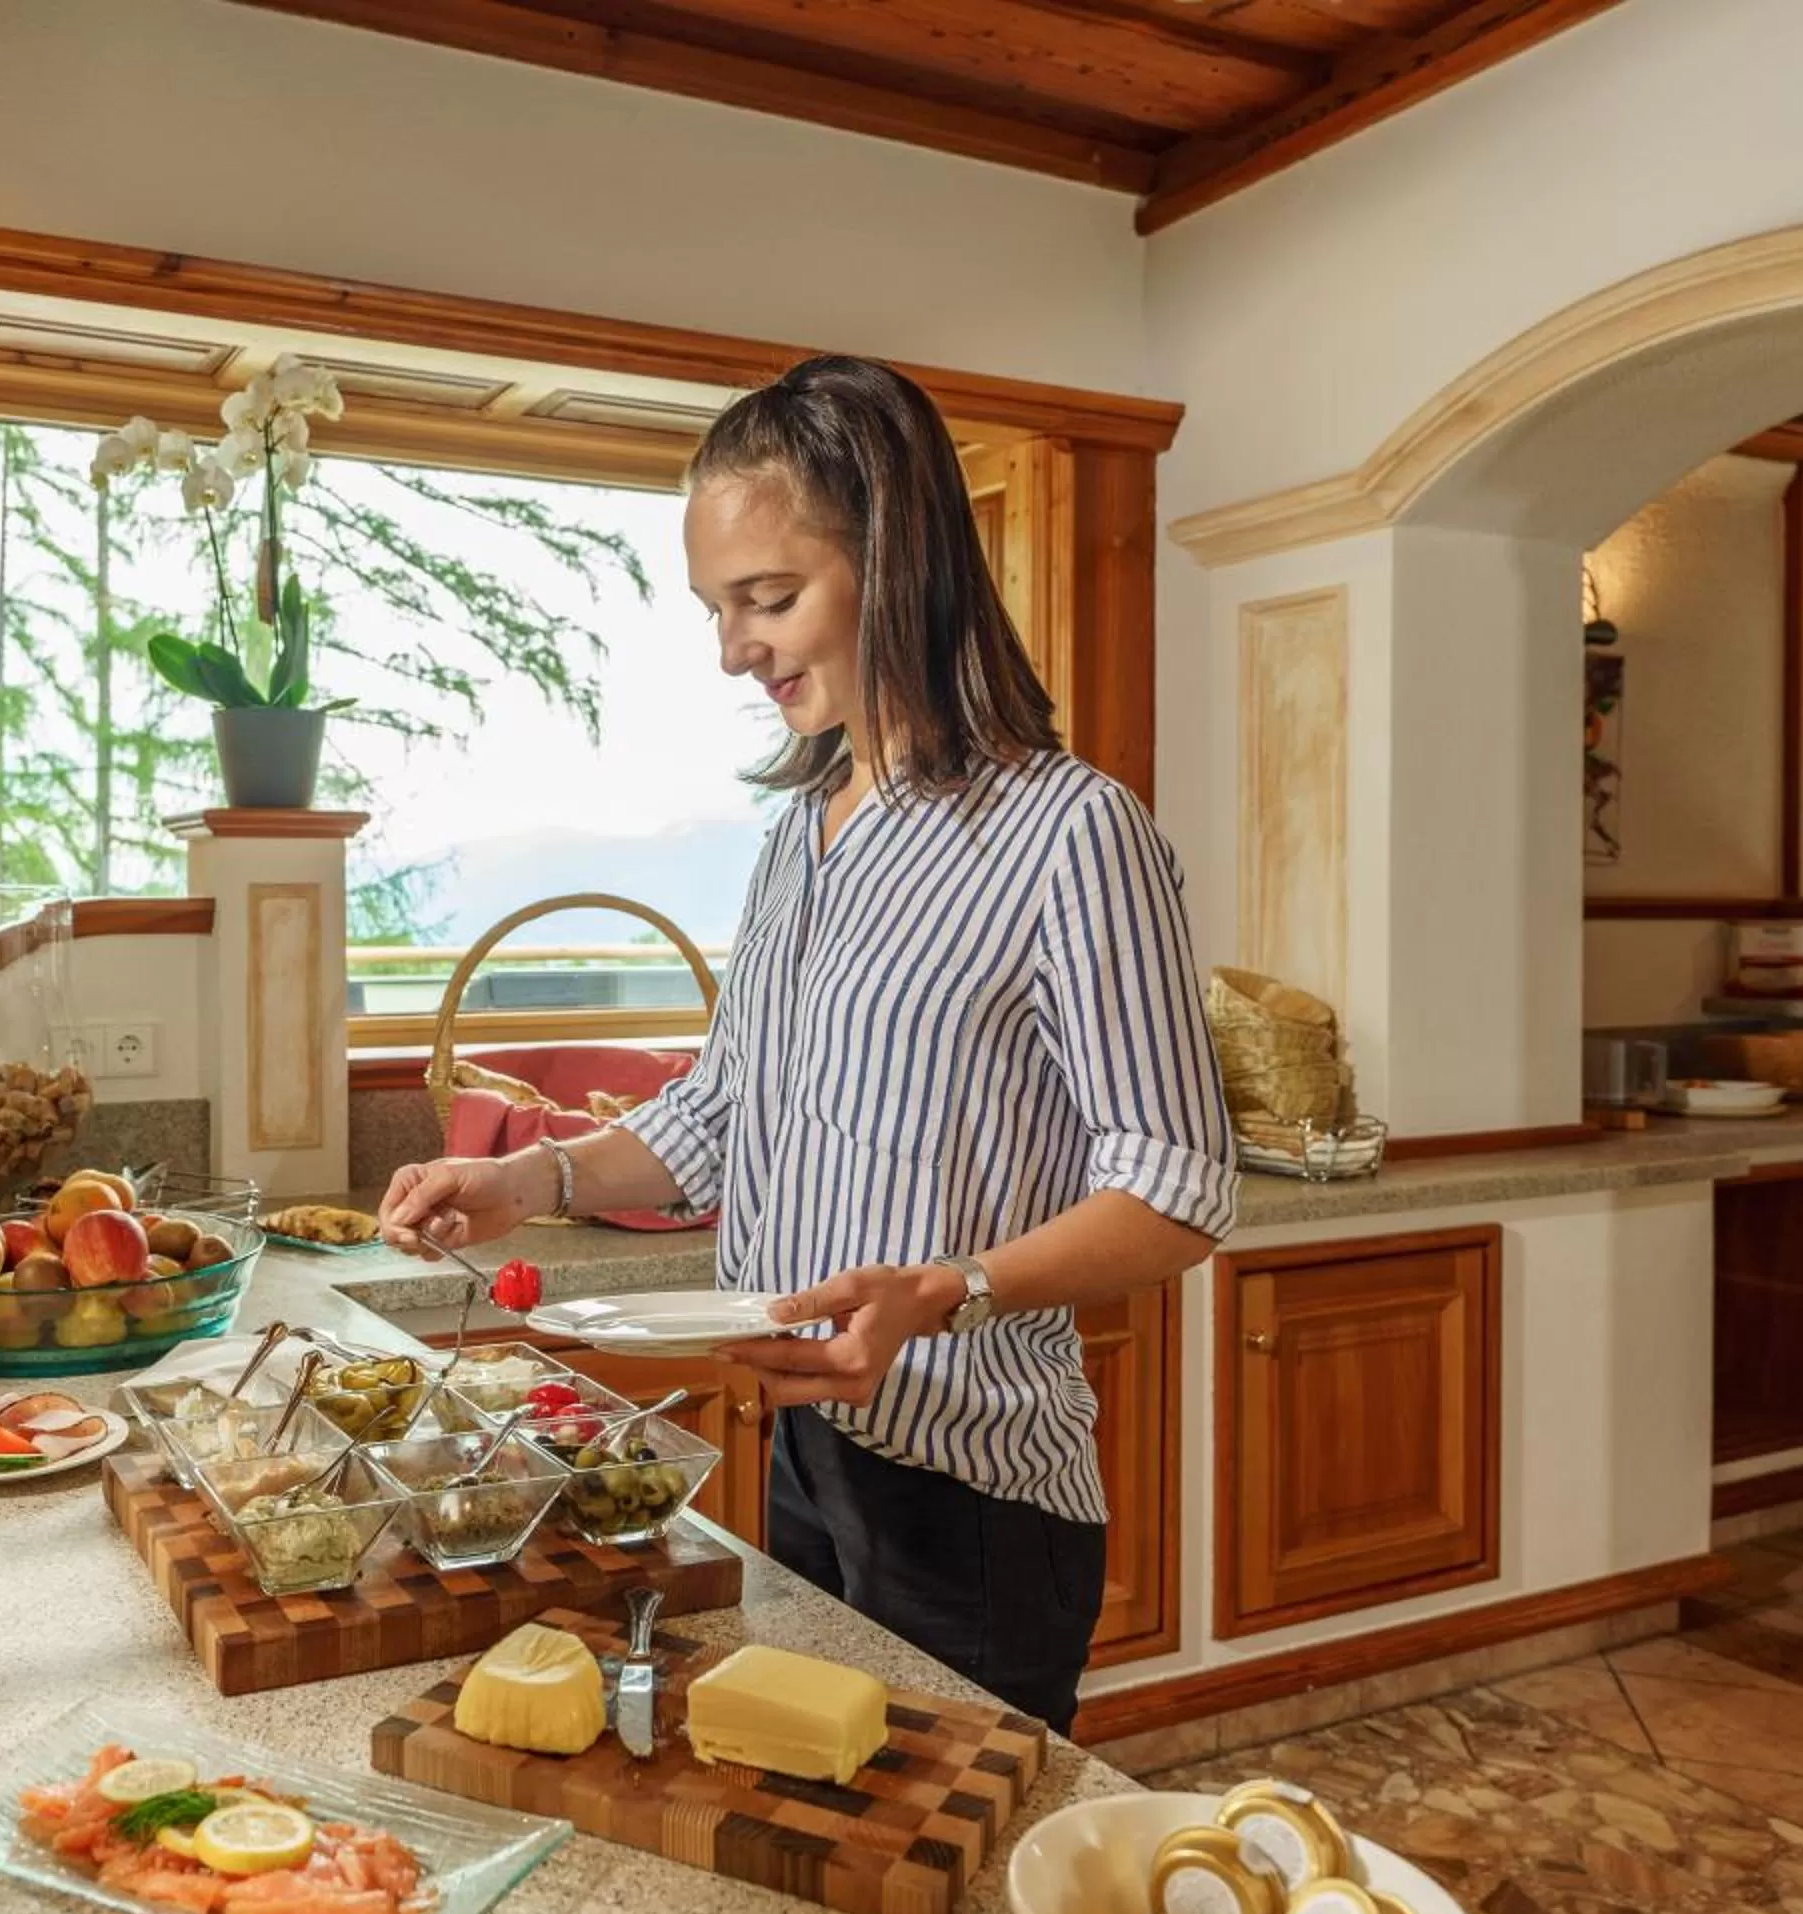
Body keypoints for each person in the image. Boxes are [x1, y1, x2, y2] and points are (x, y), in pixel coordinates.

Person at [378, 354, 1235, 1736]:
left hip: (975, 1493)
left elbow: (1181, 1182)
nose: (734, 650)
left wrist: (947, 1287)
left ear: (895, 561)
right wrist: (525, 1176)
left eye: (768, 600)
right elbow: (721, 1112)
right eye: (719, 609)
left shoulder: (1074, 833)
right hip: (803, 1445)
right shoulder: (798, 840)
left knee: (950, 1906)